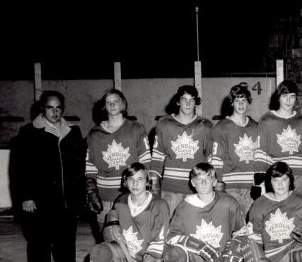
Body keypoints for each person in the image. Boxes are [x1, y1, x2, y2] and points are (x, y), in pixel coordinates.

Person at [9, 90, 87, 262]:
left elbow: (79, 167)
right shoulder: (28, 132)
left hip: (66, 200)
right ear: (42, 109)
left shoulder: (73, 131)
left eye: (58, 107)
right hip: (40, 200)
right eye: (50, 107)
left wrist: (79, 197)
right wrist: (25, 196)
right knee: (39, 244)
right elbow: (18, 169)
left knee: (67, 243)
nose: (55, 112)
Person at [83, 163, 170, 262]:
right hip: (127, 255)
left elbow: (160, 243)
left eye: (140, 179)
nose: (135, 184)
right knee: (98, 252)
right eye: (131, 179)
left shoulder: (159, 205)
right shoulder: (121, 201)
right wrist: (110, 229)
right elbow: (110, 236)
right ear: (125, 181)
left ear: (147, 182)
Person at [163, 163, 245, 262]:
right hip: (194, 255)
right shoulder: (185, 206)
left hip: (219, 259)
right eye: (199, 179)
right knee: (172, 253)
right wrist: (200, 247)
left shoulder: (229, 202)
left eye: (208, 179)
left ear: (215, 181)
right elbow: (171, 236)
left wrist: (234, 250)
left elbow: (241, 232)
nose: (204, 183)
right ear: (192, 183)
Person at [85, 89, 152, 237]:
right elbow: (90, 166)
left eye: (116, 101)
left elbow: (146, 162)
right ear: (104, 106)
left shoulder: (136, 129)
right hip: (105, 195)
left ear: (123, 104)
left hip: (131, 194)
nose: (112, 105)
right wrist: (91, 192)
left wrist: (145, 190)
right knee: (106, 240)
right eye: (108, 102)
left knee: (133, 238)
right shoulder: (94, 133)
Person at [150, 85, 213, 214]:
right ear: (178, 101)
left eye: (192, 100)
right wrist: (154, 189)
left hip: (197, 189)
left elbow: (210, 159)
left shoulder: (205, 125)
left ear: (196, 102)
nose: (188, 104)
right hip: (170, 189)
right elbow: (157, 158)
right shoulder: (164, 123)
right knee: (169, 229)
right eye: (184, 99)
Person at [254, 80, 302, 198]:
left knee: (300, 214)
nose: (288, 101)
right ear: (278, 97)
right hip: (279, 177)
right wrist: (260, 183)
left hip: (300, 177)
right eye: (284, 96)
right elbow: (260, 153)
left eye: (292, 96)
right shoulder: (267, 120)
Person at [208, 83, 258, 216]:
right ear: (232, 103)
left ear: (248, 102)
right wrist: (218, 186)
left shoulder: (257, 127)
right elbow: (216, 161)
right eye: (237, 100)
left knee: (253, 226)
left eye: (244, 100)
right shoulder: (221, 128)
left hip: (253, 187)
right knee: (237, 228)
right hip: (231, 188)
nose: (241, 104)